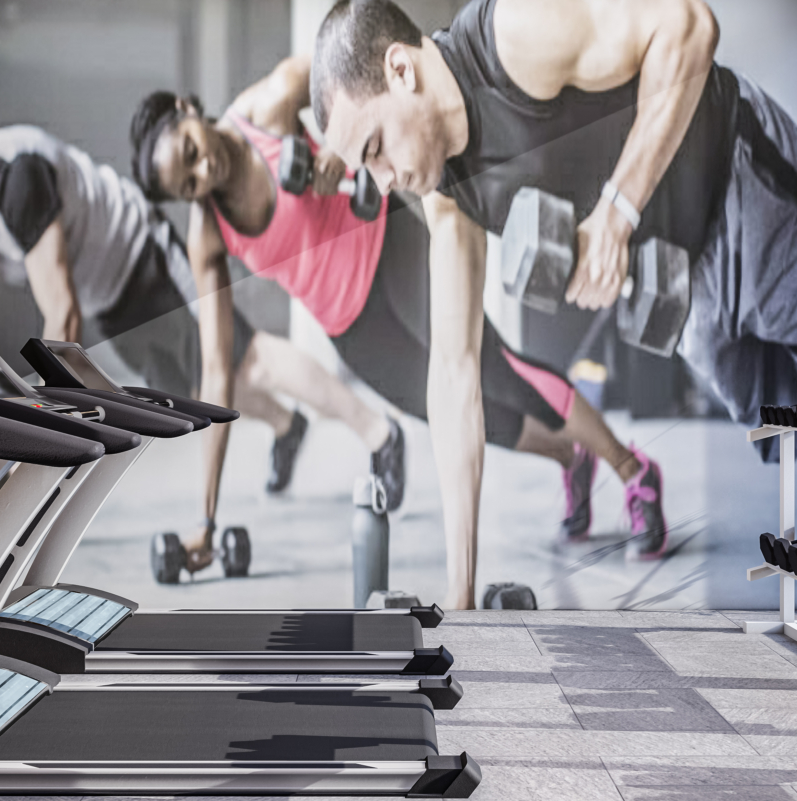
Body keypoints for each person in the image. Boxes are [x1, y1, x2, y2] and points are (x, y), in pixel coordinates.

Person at [310, 0, 797, 607]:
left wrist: (617, 210)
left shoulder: (515, 28)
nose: (382, 181)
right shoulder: (447, 197)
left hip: (738, 181)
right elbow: (454, 375)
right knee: (783, 421)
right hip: (682, 284)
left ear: (400, 70)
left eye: (375, 148)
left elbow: (688, 25)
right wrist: (460, 599)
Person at [131, 56, 666, 599]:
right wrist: (206, 518)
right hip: (353, 327)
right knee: (454, 415)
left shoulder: (270, 103)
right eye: (188, 186)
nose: (204, 174)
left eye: (191, 153)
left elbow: (353, 76)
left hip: (391, 249)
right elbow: (218, 372)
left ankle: (633, 470)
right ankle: (570, 456)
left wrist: (338, 151)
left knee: (494, 371)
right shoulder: (208, 237)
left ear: (187, 110)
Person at [0, 124, 377, 574]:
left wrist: (23, 460)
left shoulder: (15, 178)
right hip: (109, 301)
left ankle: (377, 431)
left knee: (245, 359)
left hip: (144, 256)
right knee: (192, 391)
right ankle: (287, 425)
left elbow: (62, 320)